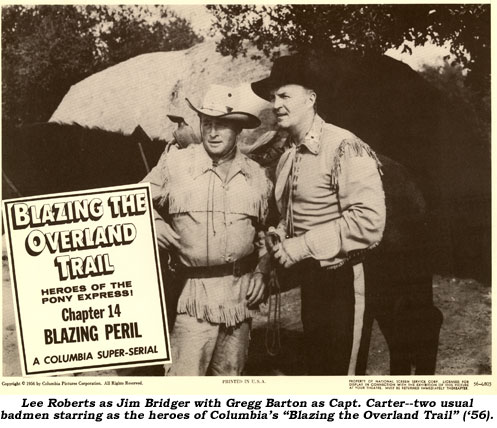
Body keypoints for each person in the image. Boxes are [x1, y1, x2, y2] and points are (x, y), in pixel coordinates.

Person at [251, 55, 386, 375]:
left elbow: (369, 220)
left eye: (285, 95)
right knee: (320, 372)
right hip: (312, 283)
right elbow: (290, 217)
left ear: (311, 98)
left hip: (344, 282)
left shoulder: (343, 145)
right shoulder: (288, 157)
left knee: (343, 377)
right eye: (273, 98)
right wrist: (279, 237)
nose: (276, 104)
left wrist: (301, 246)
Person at [142, 84, 272, 376]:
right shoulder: (174, 163)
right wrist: (155, 223)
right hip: (191, 298)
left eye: (222, 125)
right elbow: (129, 205)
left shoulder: (256, 175)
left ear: (237, 129)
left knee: (229, 384)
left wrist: (264, 269)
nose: (212, 132)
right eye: (207, 124)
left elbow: (268, 232)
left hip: (239, 300)